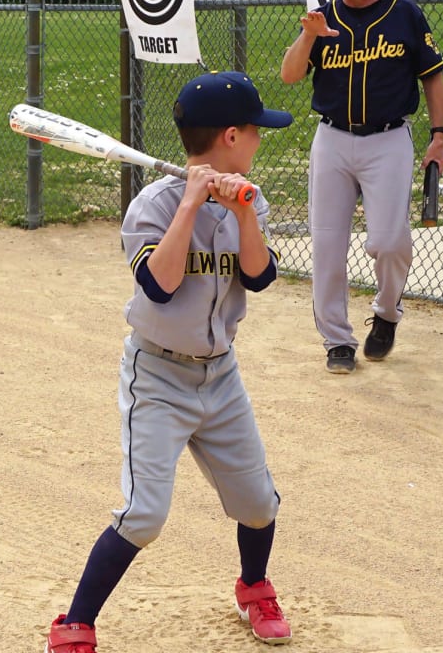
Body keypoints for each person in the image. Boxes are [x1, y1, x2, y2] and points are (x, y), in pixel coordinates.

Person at [46, 72, 296, 650]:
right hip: (157, 377)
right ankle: (75, 623)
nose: (261, 139)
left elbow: (259, 276)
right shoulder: (152, 207)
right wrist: (188, 204)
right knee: (144, 515)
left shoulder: (246, 199)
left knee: (258, 503)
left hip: (221, 375)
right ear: (230, 137)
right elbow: (158, 286)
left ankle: (254, 588)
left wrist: (243, 213)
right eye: (256, 131)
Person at [279, 0, 443, 375]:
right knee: (327, 245)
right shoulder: (321, 17)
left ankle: (388, 312)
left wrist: (438, 135)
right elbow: (289, 75)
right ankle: (337, 340)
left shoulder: (405, 14)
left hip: (389, 140)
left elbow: (432, 76)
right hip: (332, 139)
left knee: (390, 242)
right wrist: (310, 36)